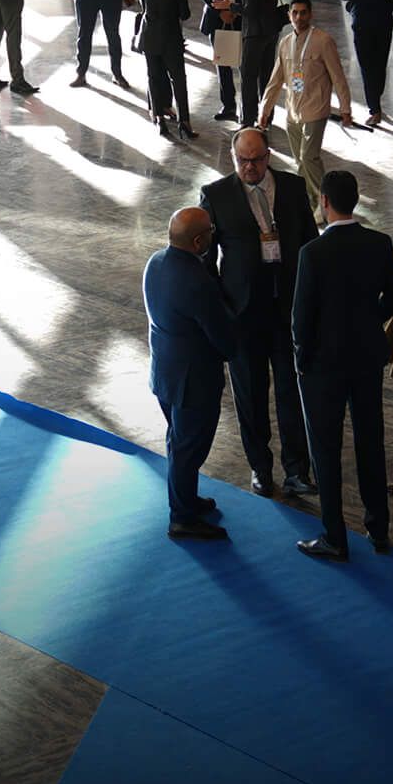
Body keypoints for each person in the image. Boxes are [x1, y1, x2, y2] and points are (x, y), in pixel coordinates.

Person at [201, 127, 318, 499]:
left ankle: (297, 470)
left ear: (268, 156)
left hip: (287, 310)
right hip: (244, 316)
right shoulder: (215, 195)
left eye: (256, 160)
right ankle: (261, 468)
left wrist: (310, 299)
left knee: (291, 393)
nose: (249, 167)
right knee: (250, 396)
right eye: (242, 160)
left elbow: (310, 244)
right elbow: (205, 261)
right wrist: (224, 309)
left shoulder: (293, 187)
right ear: (233, 157)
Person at [291, 168, 393, 560]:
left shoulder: (312, 253)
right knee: (370, 440)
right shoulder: (379, 243)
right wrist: (371, 319)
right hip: (366, 358)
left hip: (324, 364)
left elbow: (301, 318)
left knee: (325, 449)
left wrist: (301, 360)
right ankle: (379, 528)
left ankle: (335, 536)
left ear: (324, 202)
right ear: (354, 200)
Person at [144, 206, 241, 541]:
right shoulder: (198, 281)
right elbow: (222, 336)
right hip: (194, 381)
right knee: (189, 449)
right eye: (210, 230)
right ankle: (182, 518)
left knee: (178, 441)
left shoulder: (155, 262)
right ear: (199, 241)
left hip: (164, 372)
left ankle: (186, 500)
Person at [259, 0, 353, 193]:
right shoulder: (285, 43)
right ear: (289, 15)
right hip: (292, 111)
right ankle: (308, 200)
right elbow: (276, 80)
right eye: (295, 13)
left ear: (310, 15)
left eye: (303, 13)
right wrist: (265, 109)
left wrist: (345, 108)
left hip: (315, 109)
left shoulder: (323, 41)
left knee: (309, 157)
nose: (299, 17)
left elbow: (338, 77)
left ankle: (323, 200)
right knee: (300, 161)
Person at [138, 0, 196, 139]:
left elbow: (145, 9)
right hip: (172, 40)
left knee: (153, 78)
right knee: (178, 80)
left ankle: (159, 119)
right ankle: (184, 122)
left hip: (150, 39)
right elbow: (185, 14)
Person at [199, 0, 247, 121]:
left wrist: (235, 10)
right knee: (223, 65)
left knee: (245, 65)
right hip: (218, 20)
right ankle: (228, 106)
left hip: (241, 19)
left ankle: (247, 107)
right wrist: (222, 12)